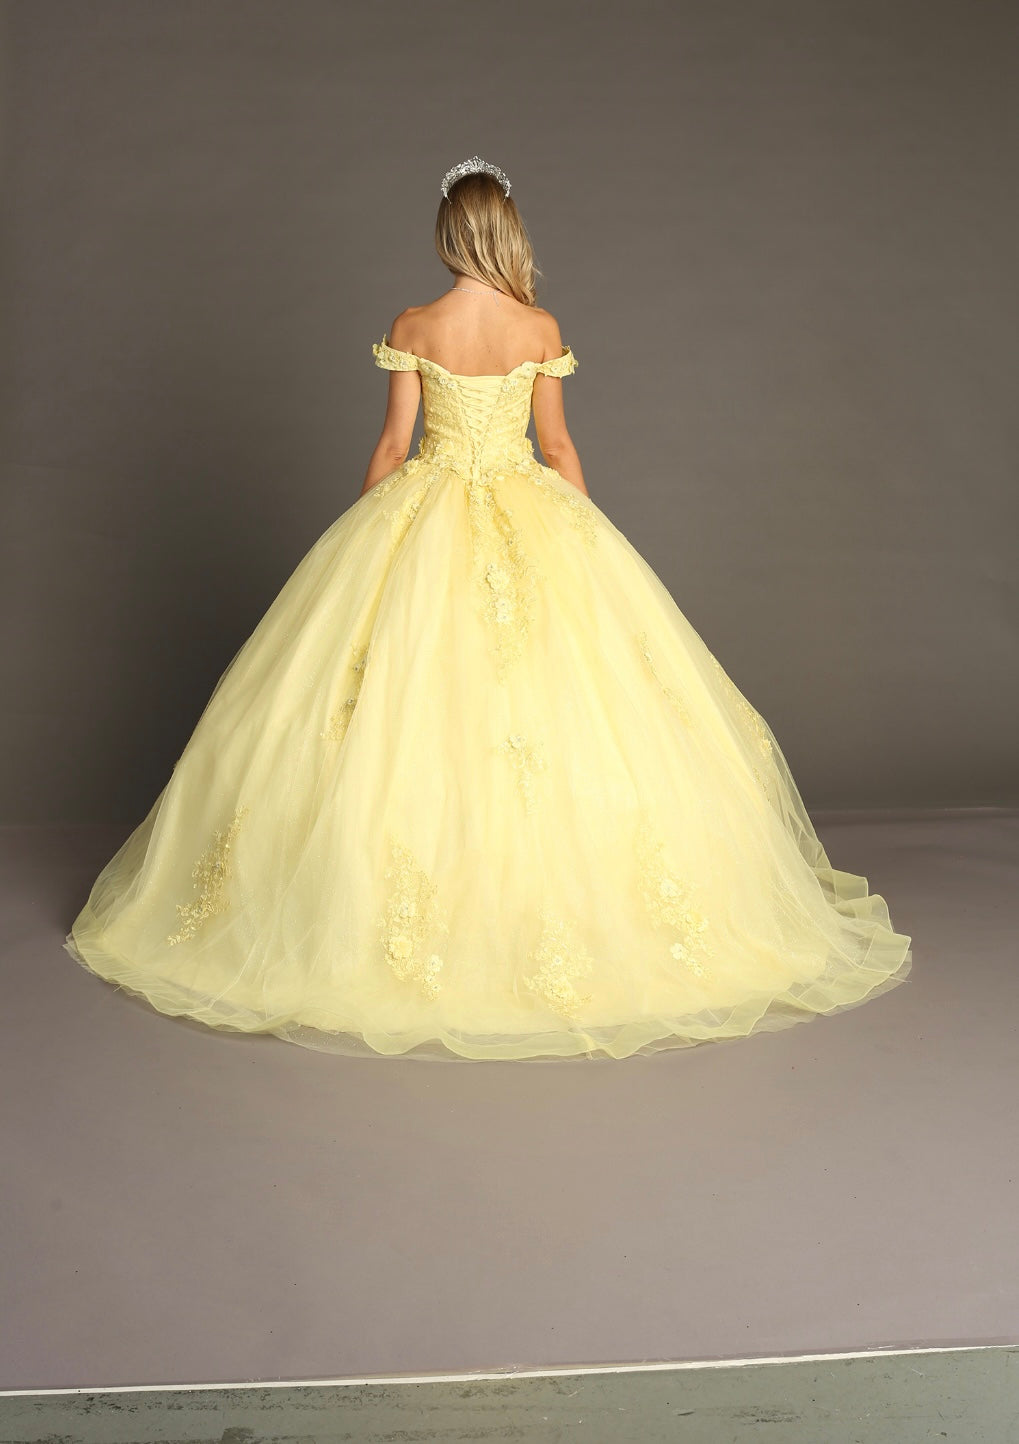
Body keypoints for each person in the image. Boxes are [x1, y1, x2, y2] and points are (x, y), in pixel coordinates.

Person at [64, 155, 913, 1062]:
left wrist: (362, 549)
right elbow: (557, 447)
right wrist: (587, 546)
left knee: (398, 711)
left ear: (446, 234)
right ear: (506, 231)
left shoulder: (414, 324)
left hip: (422, 509)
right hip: (523, 504)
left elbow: (393, 446)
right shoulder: (537, 327)